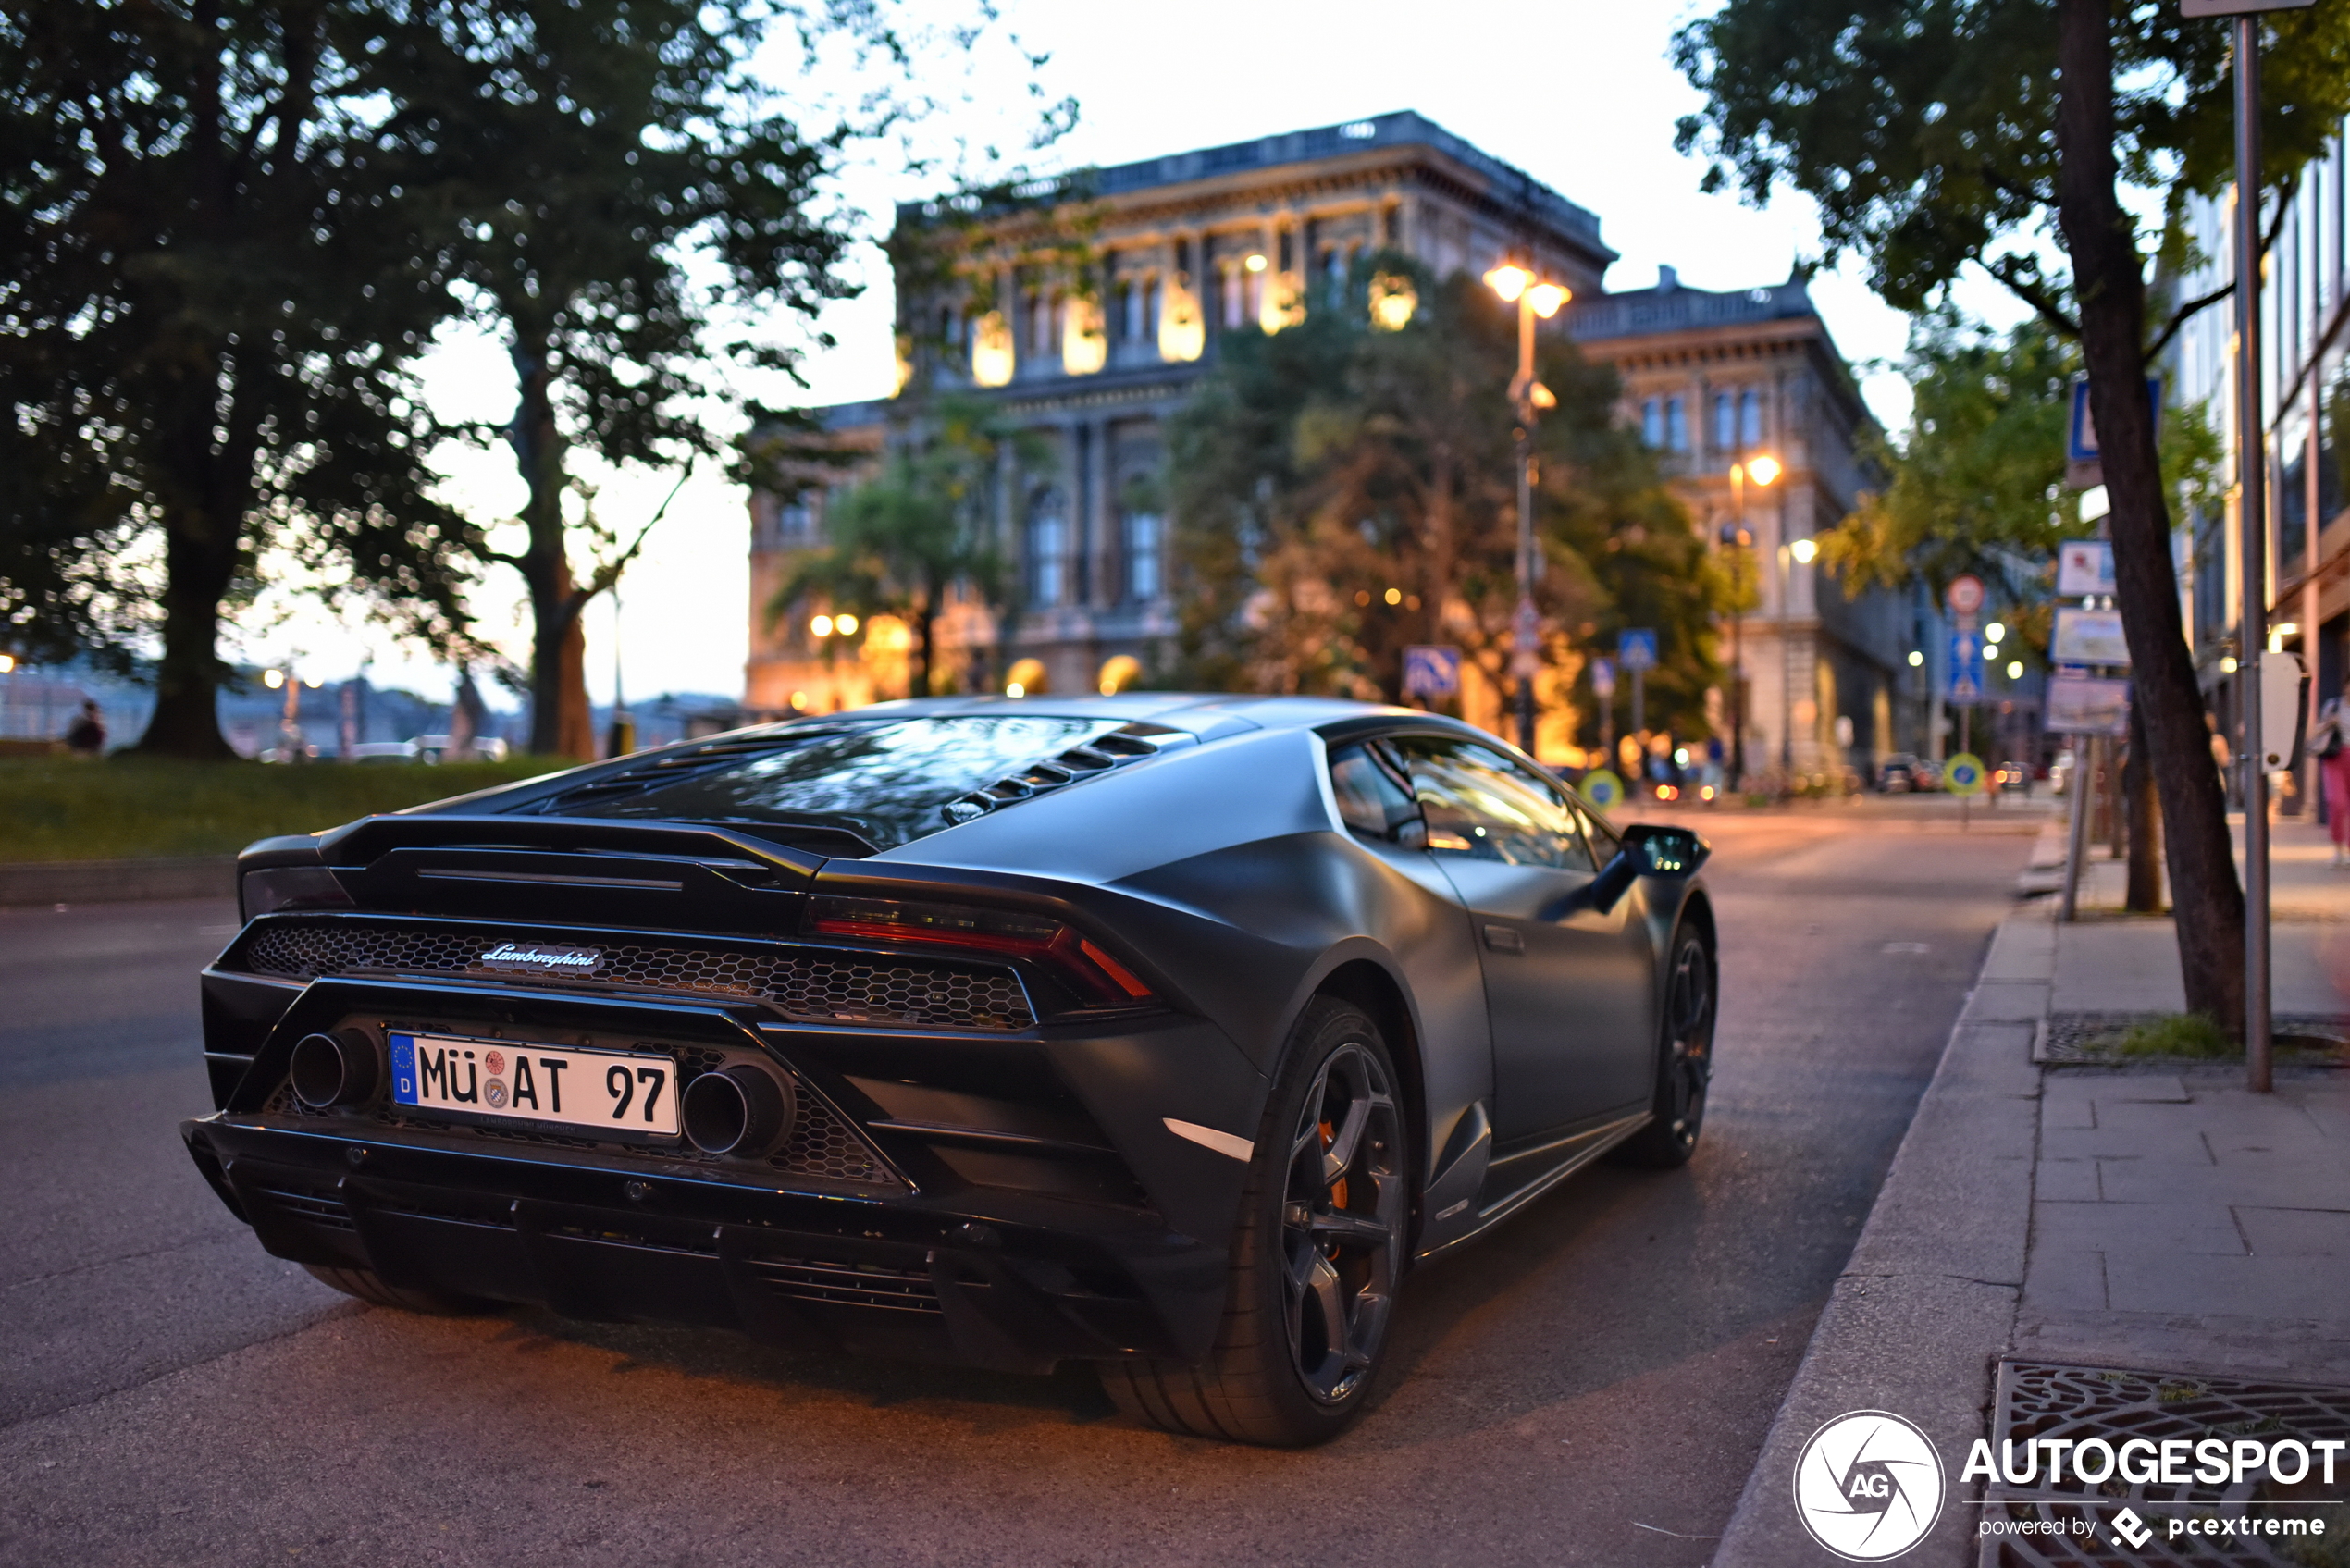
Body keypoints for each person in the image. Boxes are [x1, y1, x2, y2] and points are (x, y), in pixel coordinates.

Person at [2317, 698, 2350, 868]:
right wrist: (2330, 723)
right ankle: (2338, 850)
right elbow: (2315, 732)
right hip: (2335, 756)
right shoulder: (2334, 706)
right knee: (2337, 802)